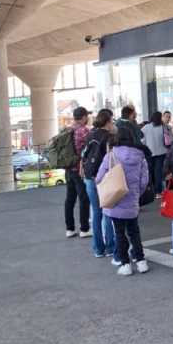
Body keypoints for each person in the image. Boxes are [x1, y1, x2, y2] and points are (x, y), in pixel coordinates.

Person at [95, 126, 150, 276]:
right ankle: (141, 261)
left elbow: (99, 178)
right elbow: (144, 180)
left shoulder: (111, 155)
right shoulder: (140, 156)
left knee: (119, 233)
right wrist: (136, 193)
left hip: (116, 200)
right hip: (132, 200)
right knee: (134, 231)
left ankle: (125, 264)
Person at [82, 108, 117, 258]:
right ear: (108, 122)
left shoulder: (90, 134)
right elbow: (111, 158)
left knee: (96, 213)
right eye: (112, 120)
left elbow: (84, 154)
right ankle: (110, 247)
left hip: (89, 177)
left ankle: (98, 249)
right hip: (103, 178)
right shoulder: (109, 137)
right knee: (107, 212)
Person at [64, 106, 92, 239]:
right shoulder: (83, 131)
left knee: (70, 199)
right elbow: (89, 149)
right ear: (84, 117)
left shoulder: (67, 129)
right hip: (79, 169)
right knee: (83, 198)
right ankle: (84, 229)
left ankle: (69, 229)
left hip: (68, 169)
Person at [142, 112, 168, 196]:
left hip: (149, 153)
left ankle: (151, 190)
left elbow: (142, 141)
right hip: (161, 153)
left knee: (150, 171)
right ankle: (158, 191)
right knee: (158, 172)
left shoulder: (145, 128)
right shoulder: (163, 127)